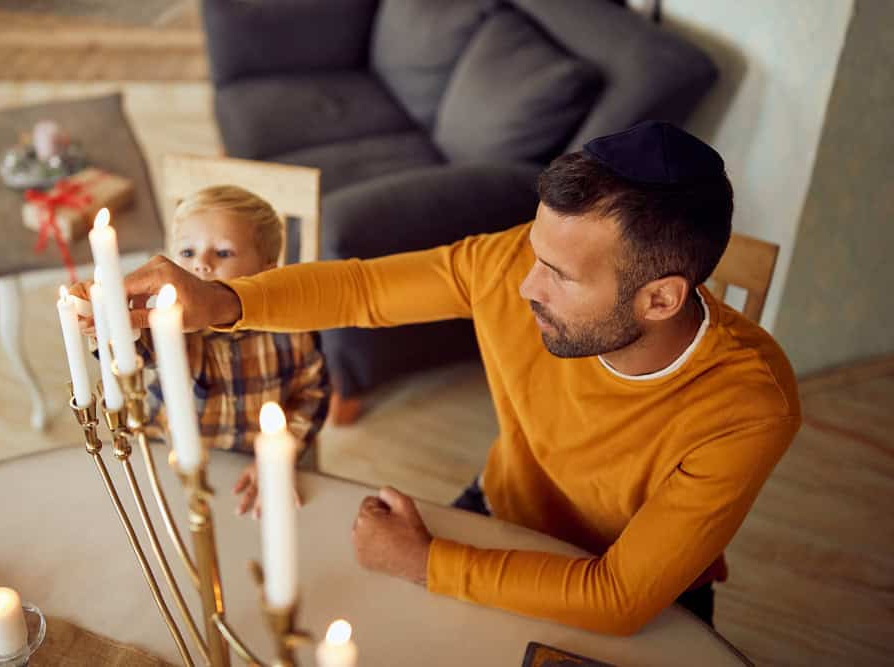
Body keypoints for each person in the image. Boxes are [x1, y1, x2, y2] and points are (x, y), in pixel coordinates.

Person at [114, 121, 800, 635]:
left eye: (559, 275)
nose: (523, 284)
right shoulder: (510, 266)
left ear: (660, 299)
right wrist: (225, 302)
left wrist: (425, 562)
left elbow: (617, 596)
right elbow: (362, 292)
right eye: (535, 251)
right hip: (498, 515)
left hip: (649, 593)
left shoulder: (749, 406)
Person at [80, 185, 331, 515]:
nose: (201, 264)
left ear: (267, 273)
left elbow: (313, 395)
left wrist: (279, 455)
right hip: (170, 455)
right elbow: (131, 353)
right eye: (187, 253)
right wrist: (104, 319)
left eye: (224, 253)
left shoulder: (293, 331)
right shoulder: (168, 322)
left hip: (255, 460)